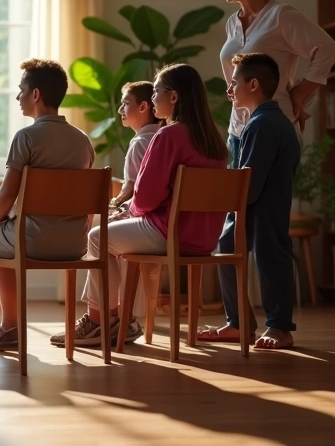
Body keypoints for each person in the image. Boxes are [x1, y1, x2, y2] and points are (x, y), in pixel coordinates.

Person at [51, 63, 230, 347]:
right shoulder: (213, 141)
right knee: (110, 234)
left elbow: (146, 198)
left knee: (97, 237)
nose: (154, 96)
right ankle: (119, 320)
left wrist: (128, 212)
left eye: (157, 91)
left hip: (169, 233)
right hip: (204, 239)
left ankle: (100, 321)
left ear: (173, 97)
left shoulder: (168, 135)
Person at [0, 60, 94, 351]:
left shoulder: (26, 137)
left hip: (32, 240)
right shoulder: (83, 141)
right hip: (75, 244)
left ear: (36, 95)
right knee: (2, 242)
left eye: (21, 90)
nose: (18, 97)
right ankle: (10, 328)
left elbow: (7, 193)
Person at [199, 53, 301, 349]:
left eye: (234, 82)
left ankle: (280, 327)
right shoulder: (273, 121)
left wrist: (219, 198)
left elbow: (249, 183)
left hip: (260, 206)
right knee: (228, 246)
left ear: (253, 84)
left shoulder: (262, 125)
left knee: (271, 257)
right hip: (257, 205)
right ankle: (238, 321)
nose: (229, 90)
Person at [215, 0, 334, 143]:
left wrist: (299, 94)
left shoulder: (281, 15)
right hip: (237, 132)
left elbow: (327, 48)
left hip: (273, 126)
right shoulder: (232, 24)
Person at [112, 81, 162, 210]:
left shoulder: (140, 143)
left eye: (126, 104)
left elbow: (133, 189)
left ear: (143, 107)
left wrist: (115, 204)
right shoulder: (164, 138)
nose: (119, 110)